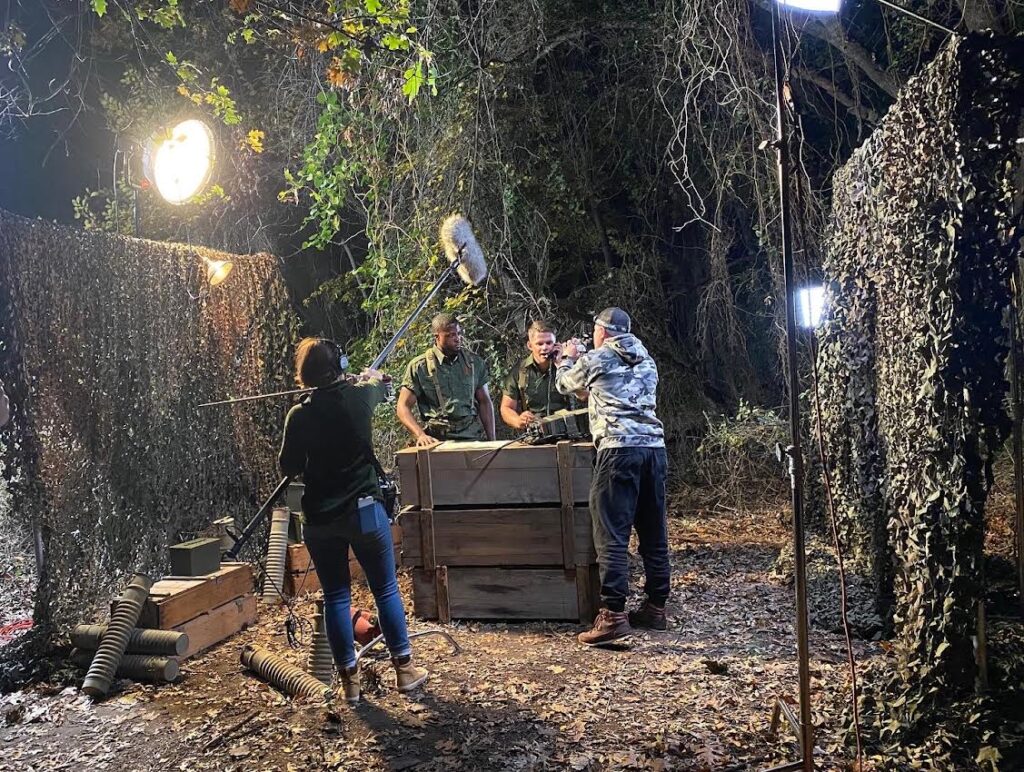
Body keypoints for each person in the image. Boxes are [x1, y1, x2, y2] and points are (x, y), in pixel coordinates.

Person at [279, 337, 428, 703]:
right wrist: (371, 378)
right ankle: (405, 670)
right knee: (385, 589)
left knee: (335, 596)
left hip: (320, 518)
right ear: (341, 365)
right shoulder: (360, 396)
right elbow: (385, 387)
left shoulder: (299, 414)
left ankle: (349, 683)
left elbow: (289, 467)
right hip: (364, 511)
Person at [554, 307, 670, 646]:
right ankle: (656, 607)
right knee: (654, 532)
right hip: (654, 450)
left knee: (611, 534)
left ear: (602, 332)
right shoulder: (647, 359)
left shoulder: (599, 358)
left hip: (619, 450)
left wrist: (566, 358)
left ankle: (613, 616)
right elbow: (603, 388)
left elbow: (565, 384)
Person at [397, 313, 496, 447]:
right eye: (451, 335)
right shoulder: (420, 367)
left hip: (471, 437)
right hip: (437, 439)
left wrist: (492, 441)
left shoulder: (473, 363)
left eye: (459, 334)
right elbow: (403, 406)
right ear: (437, 337)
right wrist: (420, 435)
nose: (457, 339)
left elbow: (485, 401)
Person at [499, 320, 575, 431]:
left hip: (568, 430)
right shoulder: (520, 371)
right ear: (530, 345)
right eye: (539, 344)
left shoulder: (567, 367)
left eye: (549, 343)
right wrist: (518, 420)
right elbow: (506, 407)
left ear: (556, 344)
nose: (544, 348)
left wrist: (562, 364)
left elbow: (584, 395)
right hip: (536, 431)